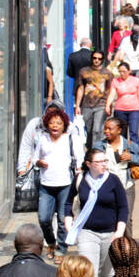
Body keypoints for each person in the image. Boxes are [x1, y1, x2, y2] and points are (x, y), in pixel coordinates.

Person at [18, 104, 85, 263]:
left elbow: (80, 158)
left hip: (66, 185)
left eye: (59, 123)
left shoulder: (71, 139)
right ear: (47, 124)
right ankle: (51, 242)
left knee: (63, 219)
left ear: (64, 125)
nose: (55, 126)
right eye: (52, 122)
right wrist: (38, 162)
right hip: (46, 185)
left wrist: (80, 172)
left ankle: (61, 250)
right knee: (43, 218)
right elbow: (34, 158)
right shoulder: (42, 139)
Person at [65, 146, 128, 277]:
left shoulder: (113, 180)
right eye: (99, 162)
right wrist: (68, 222)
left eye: (105, 160)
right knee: (89, 273)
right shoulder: (80, 179)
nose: (104, 164)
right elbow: (68, 202)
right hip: (87, 232)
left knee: (108, 275)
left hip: (111, 233)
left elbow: (123, 207)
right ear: (89, 164)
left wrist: (119, 232)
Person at [101, 113, 139, 231]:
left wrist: (131, 157)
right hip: (106, 188)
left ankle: (127, 247)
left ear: (119, 130)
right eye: (105, 128)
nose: (106, 131)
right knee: (109, 218)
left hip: (126, 187)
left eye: (110, 129)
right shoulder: (100, 146)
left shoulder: (130, 145)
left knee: (125, 220)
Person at [75, 50, 112, 149]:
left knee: (97, 129)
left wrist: (108, 105)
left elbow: (109, 90)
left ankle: (96, 151)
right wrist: (77, 105)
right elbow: (81, 88)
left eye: (99, 59)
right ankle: (90, 148)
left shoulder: (107, 73)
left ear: (102, 60)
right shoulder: (84, 71)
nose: (96, 60)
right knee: (88, 129)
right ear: (91, 59)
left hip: (101, 104)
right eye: (94, 58)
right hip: (86, 105)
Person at [106, 59, 139, 144]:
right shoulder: (115, 81)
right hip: (120, 109)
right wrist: (107, 105)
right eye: (120, 71)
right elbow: (112, 94)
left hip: (134, 109)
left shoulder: (136, 80)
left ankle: (135, 152)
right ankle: (122, 151)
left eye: (124, 71)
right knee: (121, 132)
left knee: (133, 132)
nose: (122, 74)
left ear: (129, 71)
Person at [66, 38, 93, 112]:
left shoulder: (73, 56)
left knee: (79, 108)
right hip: (92, 86)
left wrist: (77, 77)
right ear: (90, 45)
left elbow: (69, 72)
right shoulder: (94, 56)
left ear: (80, 45)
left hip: (77, 85)